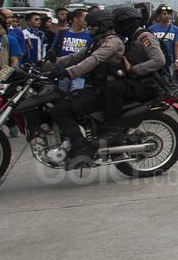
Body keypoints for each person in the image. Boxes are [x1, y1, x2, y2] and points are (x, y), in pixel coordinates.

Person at [46, 10, 122, 161]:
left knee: (60, 110)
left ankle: (82, 147)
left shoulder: (112, 41)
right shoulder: (96, 41)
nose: (89, 29)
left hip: (106, 89)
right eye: (89, 25)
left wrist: (69, 72)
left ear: (104, 25)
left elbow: (93, 60)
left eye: (93, 26)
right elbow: (75, 56)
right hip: (95, 85)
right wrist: (50, 64)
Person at [53, 9, 91, 91]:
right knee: (61, 94)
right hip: (63, 73)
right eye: (85, 18)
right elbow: (54, 50)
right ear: (76, 19)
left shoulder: (89, 35)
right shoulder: (61, 33)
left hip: (80, 73)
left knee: (76, 95)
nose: (87, 21)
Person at [148, 5, 178, 73]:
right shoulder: (151, 29)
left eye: (169, 14)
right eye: (164, 14)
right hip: (154, 60)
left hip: (169, 61)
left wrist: (177, 60)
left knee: (169, 78)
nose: (167, 16)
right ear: (159, 15)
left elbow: (176, 45)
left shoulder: (175, 29)